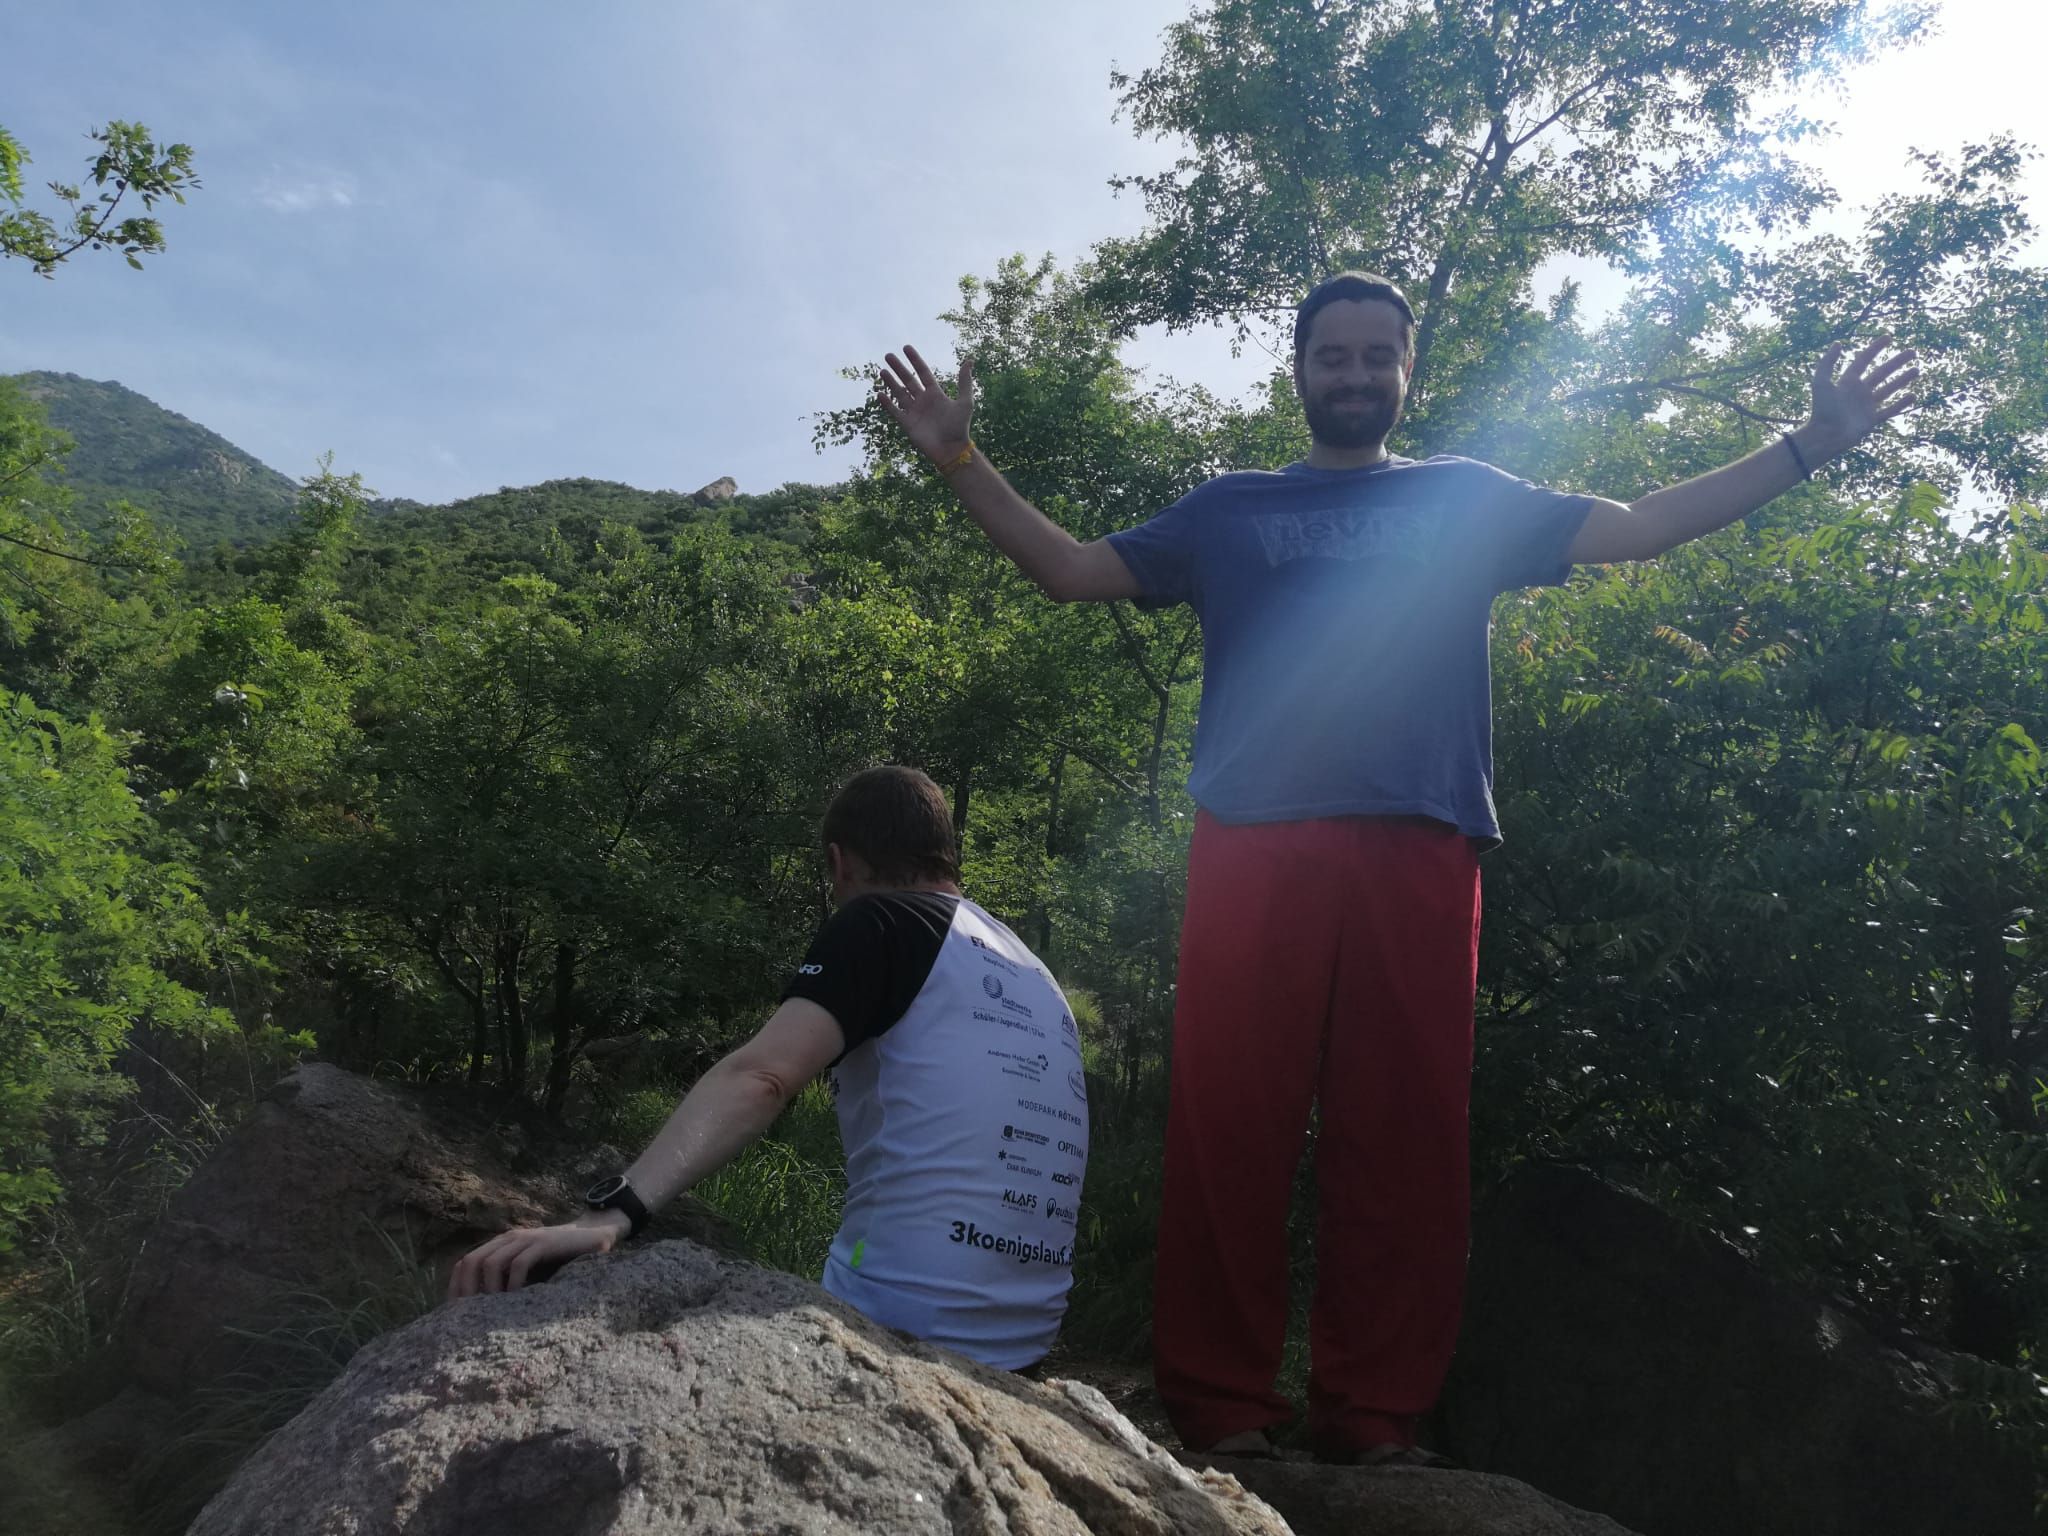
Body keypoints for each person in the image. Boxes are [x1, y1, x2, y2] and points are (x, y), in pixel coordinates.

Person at [874, 272, 1916, 1459]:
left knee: (1405, 1136)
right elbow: (1067, 569)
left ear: (1406, 371)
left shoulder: (1463, 498)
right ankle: (1218, 1407)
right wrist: (959, 459)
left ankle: (1370, 1416)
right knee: (1228, 1127)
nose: (1355, 373)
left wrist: (1807, 446)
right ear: (1298, 370)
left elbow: (1636, 527)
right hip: (1253, 845)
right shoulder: (1228, 509)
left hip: (1421, 842)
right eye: (1333, 354)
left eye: (1378, 355)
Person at [448, 764, 1090, 1372]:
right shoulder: (1034, 971)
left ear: (839, 863)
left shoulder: (881, 920)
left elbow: (764, 1077)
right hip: (1026, 1339)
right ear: (946, 855)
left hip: (901, 1319)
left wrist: (614, 1213)